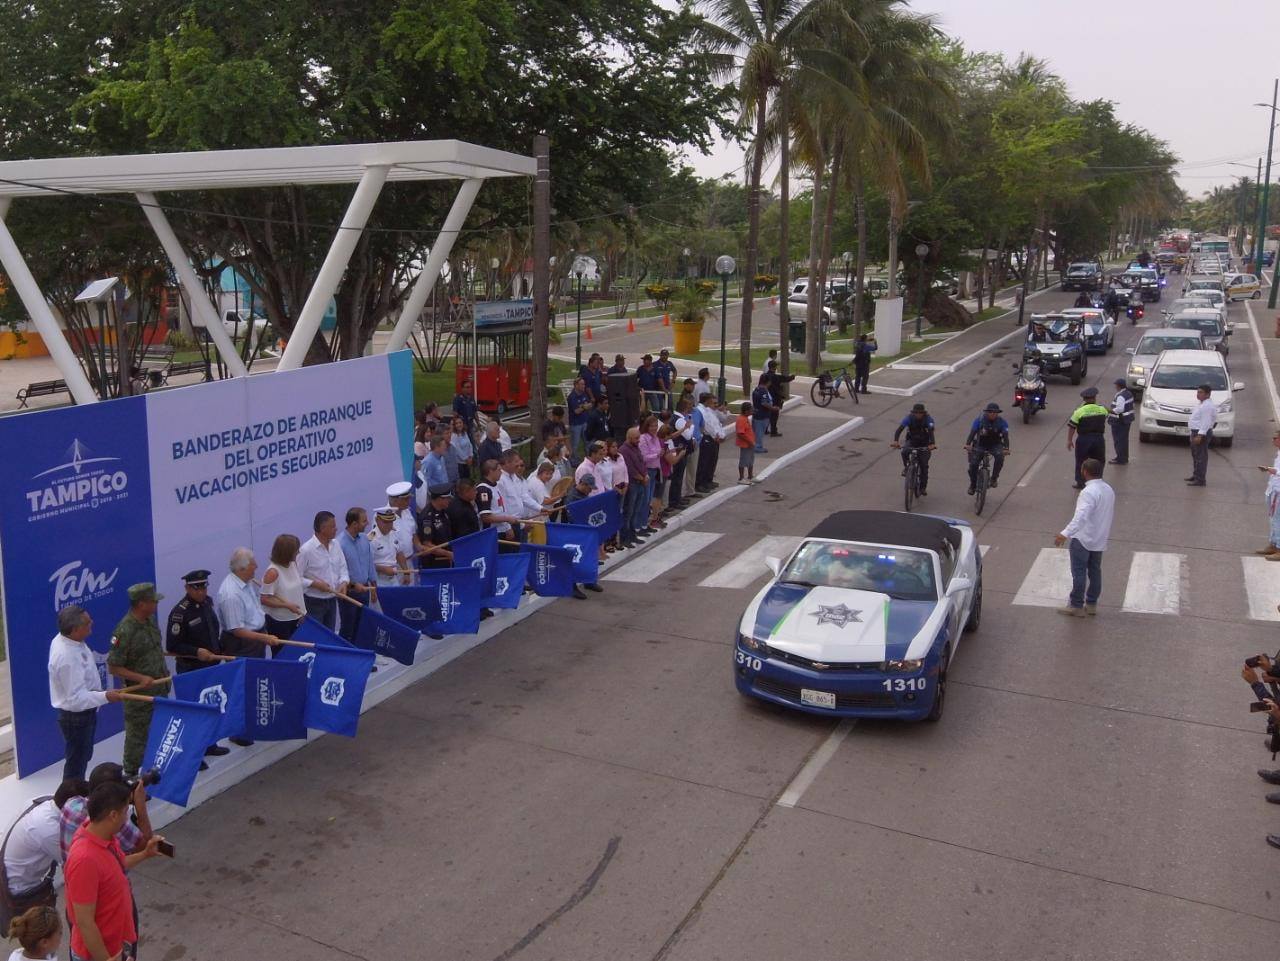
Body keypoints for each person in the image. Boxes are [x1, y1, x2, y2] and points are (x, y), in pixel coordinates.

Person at [65, 782, 165, 961]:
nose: (126, 817)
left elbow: (118, 864)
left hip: (117, 946)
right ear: (113, 815)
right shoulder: (84, 860)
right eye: (125, 811)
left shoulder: (105, 837)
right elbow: (84, 921)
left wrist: (145, 854)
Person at [48, 607, 124, 782]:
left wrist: (101, 695)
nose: (92, 623)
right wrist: (105, 697)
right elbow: (75, 699)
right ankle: (71, 801)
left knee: (83, 756)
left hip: (84, 713)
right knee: (77, 763)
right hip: (77, 717)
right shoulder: (66, 657)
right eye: (87, 622)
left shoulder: (70, 640)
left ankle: (76, 793)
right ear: (75, 629)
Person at [164, 571, 231, 762]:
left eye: (204, 586)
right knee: (192, 712)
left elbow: (212, 631)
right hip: (191, 668)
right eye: (197, 587)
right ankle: (193, 755)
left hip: (211, 665)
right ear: (187, 588)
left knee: (210, 707)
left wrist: (220, 650)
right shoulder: (180, 613)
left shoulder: (207, 604)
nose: (201, 591)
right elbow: (173, 645)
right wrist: (196, 651)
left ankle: (209, 744)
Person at [1, 778, 86, 925]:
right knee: (43, 932)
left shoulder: (41, 801)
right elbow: (76, 863)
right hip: (21, 889)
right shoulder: (50, 830)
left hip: (10, 872)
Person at [1053, 457, 1115, 616]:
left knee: (1079, 572)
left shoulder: (1088, 492)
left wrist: (1064, 533)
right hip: (1099, 539)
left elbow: (1081, 517)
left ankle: (1076, 605)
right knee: (1095, 571)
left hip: (1083, 539)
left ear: (1085, 472)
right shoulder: (1108, 489)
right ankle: (1092, 604)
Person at [58, 765, 152, 865]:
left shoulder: (71, 804)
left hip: (73, 872)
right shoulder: (112, 820)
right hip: (105, 877)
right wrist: (140, 804)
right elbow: (146, 844)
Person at [215, 547, 280, 664]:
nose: (256, 566)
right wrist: (264, 638)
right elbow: (237, 630)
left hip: (255, 638)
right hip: (242, 645)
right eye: (253, 564)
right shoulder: (231, 595)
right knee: (246, 676)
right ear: (242, 568)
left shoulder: (247, 580)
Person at [297, 511, 350, 631]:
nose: (336, 529)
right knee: (315, 636)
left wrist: (343, 582)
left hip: (332, 600)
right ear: (322, 528)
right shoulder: (306, 550)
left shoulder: (336, 544)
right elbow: (296, 579)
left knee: (329, 635)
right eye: (333, 526)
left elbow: (343, 568)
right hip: (313, 602)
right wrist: (314, 584)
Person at [337, 508, 376, 642]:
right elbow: (339, 572)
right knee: (348, 628)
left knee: (362, 626)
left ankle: (362, 660)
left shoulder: (365, 540)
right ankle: (347, 659)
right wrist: (353, 584)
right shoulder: (339, 544)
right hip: (349, 593)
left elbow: (370, 563)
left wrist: (373, 585)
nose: (368, 523)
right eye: (364, 521)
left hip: (365, 590)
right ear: (354, 524)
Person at [258, 534, 306, 640]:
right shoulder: (273, 572)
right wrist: (286, 605)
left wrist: (302, 612)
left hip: (297, 618)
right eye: (296, 550)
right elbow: (264, 599)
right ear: (287, 553)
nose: (299, 552)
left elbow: (297, 592)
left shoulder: (293, 564)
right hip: (281, 622)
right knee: (282, 652)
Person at [1066, 387, 1108, 489]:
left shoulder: (1079, 411)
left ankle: (1080, 482)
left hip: (1084, 439)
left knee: (1081, 461)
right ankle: (1098, 480)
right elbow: (1106, 415)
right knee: (1099, 460)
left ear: (1084, 399)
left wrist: (1069, 440)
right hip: (1098, 439)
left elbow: (1072, 426)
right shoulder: (1102, 409)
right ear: (1095, 398)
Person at [891, 403, 936, 496]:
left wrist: (932, 444)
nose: (918, 414)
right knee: (904, 451)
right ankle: (907, 467)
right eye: (916, 413)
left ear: (923, 413)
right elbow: (899, 430)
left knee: (924, 466)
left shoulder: (928, 419)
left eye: (920, 413)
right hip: (912, 441)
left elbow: (931, 432)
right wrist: (896, 441)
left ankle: (923, 487)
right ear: (913, 413)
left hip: (924, 443)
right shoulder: (908, 418)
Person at [964, 403, 1011, 494]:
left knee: (1000, 457)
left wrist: (1006, 448)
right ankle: (973, 485)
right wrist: (967, 444)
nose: (993, 414)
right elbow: (972, 432)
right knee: (973, 465)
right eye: (990, 412)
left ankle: (994, 478)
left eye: (995, 412)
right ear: (987, 412)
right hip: (980, 445)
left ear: (998, 413)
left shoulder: (1002, 422)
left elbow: (1005, 436)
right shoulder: (979, 421)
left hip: (995, 445)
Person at [620, 428, 650, 546]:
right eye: (636, 438)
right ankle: (625, 537)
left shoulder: (636, 448)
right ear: (629, 438)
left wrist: (645, 475)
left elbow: (641, 463)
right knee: (629, 511)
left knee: (636, 510)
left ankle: (633, 535)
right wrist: (642, 478)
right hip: (633, 484)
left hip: (641, 482)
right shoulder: (624, 450)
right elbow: (630, 469)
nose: (638, 440)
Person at [416, 484, 456, 569]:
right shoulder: (427, 517)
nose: (449, 501)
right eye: (447, 498)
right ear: (439, 499)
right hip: (434, 562)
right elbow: (427, 544)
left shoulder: (443, 512)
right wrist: (447, 553)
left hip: (446, 559)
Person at [370, 506, 410, 586]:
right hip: (379, 580)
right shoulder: (371, 538)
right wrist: (383, 569)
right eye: (385, 522)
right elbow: (368, 564)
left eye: (391, 522)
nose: (389, 525)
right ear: (377, 520)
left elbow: (399, 553)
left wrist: (406, 572)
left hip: (394, 579)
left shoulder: (394, 533)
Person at [1186, 383, 1217, 487]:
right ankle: (1196, 475)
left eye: (1201, 392)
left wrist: (1200, 435)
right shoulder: (1202, 404)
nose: (1198, 394)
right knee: (1196, 455)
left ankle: (1200, 479)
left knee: (1200, 456)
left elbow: (1206, 422)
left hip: (1201, 433)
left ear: (1208, 394)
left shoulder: (1207, 406)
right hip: (1196, 431)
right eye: (1198, 392)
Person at [1258, 431, 1280, 559]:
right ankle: (1273, 544)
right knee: (1273, 518)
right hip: (1274, 489)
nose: (1273, 440)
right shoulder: (1279, 453)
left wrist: (1270, 470)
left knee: (1277, 519)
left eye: (1275, 438)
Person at [696, 394, 723, 492]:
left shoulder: (708, 410)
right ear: (706, 401)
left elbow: (715, 423)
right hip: (707, 437)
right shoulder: (701, 410)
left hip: (713, 437)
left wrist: (719, 435)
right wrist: (714, 436)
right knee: (704, 461)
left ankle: (708, 480)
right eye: (711, 401)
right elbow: (706, 425)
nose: (713, 404)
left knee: (712, 460)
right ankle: (700, 483)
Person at [417, 436, 450, 511]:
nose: (445, 447)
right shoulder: (428, 461)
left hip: (445, 493)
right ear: (436, 447)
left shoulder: (441, 458)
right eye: (443, 446)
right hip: (436, 497)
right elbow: (425, 481)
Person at [1108, 377, 1135, 465]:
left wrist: (1109, 411)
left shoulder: (1121, 396)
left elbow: (1120, 409)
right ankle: (1124, 457)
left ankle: (1120, 459)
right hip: (1127, 420)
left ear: (1119, 386)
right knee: (1124, 440)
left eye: (1116, 385)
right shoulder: (1128, 393)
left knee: (1118, 441)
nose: (1115, 386)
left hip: (1120, 422)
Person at [763, 360, 794, 436]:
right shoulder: (775, 377)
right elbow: (785, 379)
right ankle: (773, 431)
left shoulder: (765, 376)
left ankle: (765, 429)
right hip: (775, 399)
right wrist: (792, 377)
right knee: (774, 416)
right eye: (776, 366)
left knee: (767, 414)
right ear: (774, 367)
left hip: (767, 398)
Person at [566, 378, 593, 463]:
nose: (583, 386)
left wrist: (583, 407)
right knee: (575, 444)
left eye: (584, 384)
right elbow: (576, 411)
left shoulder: (584, 394)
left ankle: (589, 457)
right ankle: (574, 461)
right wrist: (584, 407)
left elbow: (590, 405)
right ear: (576, 385)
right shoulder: (572, 397)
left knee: (588, 441)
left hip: (585, 421)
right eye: (581, 384)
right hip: (575, 424)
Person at [750, 376, 775, 453]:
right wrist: (772, 408)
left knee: (756, 431)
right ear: (767, 382)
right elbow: (764, 402)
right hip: (762, 415)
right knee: (759, 432)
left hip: (756, 414)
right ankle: (758, 447)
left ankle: (754, 445)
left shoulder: (756, 389)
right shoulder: (763, 391)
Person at [736, 402, 757, 485]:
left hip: (750, 443)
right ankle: (741, 478)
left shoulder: (745, 418)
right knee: (744, 460)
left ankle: (750, 476)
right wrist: (750, 441)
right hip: (745, 444)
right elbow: (740, 433)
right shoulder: (741, 419)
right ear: (746, 411)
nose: (752, 411)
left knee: (751, 460)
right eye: (751, 410)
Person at [448, 416, 474, 481]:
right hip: (460, 463)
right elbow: (457, 449)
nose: (459, 425)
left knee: (468, 479)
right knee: (463, 480)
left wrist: (471, 456)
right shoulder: (454, 435)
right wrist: (466, 459)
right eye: (456, 423)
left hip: (468, 461)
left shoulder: (464, 433)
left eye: (460, 422)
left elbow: (469, 444)